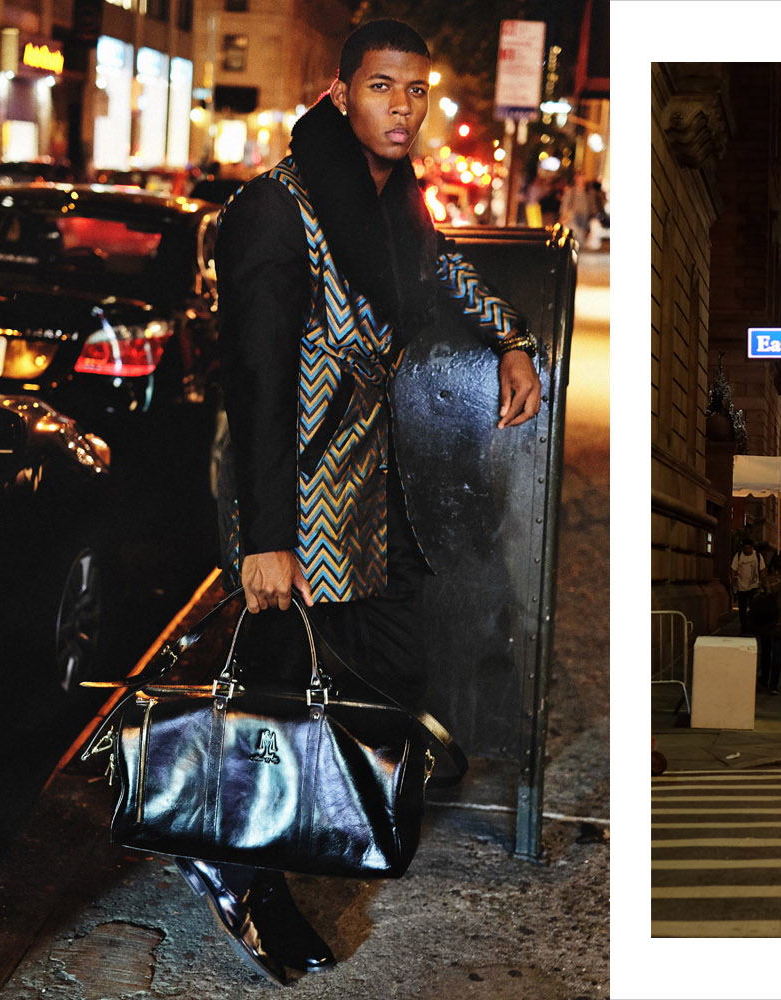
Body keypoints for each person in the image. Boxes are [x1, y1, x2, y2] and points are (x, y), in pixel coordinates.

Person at [204, 19, 541, 985]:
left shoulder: (393, 204)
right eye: (384, 86)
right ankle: (241, 875)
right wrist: (266, 539)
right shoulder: (279, 209)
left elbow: (445, 274)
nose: (404, 107)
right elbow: (257, 383)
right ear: (341, 92)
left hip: (362, 492)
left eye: (417, 90)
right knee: (271, 697)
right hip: (289, 491)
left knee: (384, 665)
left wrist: (511, 337)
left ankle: (324, 826)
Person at [730, 540, 765, 633]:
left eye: (749, 548)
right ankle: (744, 626)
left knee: (754, 607)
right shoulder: (738, 556)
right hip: (741, 587)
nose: (747, 550)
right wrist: (733, 582)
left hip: (754, 585)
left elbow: (762, 570)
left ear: (752, 548)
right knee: (742, 608)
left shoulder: (757, 556)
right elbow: (733, 569)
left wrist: (762, 583)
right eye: (745, 548)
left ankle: (753, 625)